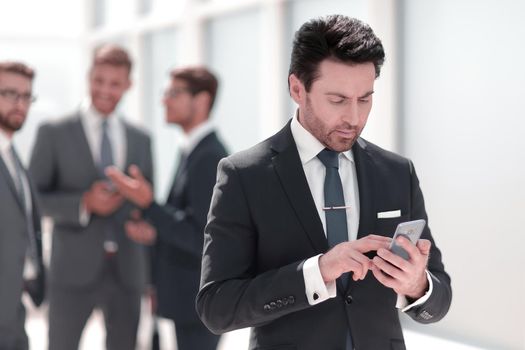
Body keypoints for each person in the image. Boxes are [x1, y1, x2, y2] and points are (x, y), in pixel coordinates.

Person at [196, 15, 452, 350]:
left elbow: (439, 296)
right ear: (297, 89)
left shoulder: (396, 172)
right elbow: (216, 307)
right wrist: (318, 272)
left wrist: (418, 284)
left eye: (365, 98)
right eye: (338, 100)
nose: (355, 118)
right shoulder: (244, 175)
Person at [29, 44, 153, 350]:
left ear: (128, 85)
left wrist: (142, 211)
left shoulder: (141, 138)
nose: (105, 90)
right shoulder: (53, 133)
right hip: (71, 273)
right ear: (89, 77)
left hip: (127, 272)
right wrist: (84, 204)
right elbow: (32, 201)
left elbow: (148, 201)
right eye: (99, 81)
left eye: (114, 83)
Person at [107, 66, 227, 350]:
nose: (164, 100)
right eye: (165, 93)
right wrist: (153, 229)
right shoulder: (192, 150)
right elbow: (189, 222)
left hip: (198, 306)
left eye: (174, 93)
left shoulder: (209, 157)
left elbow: (201, 237)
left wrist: (148, 203)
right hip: (186, 302)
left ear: (202, 101)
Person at [0, 61, 45, 350]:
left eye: (26, 96)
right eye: (9, 94)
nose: (20, 104)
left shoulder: (14, 156)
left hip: (14, 309)